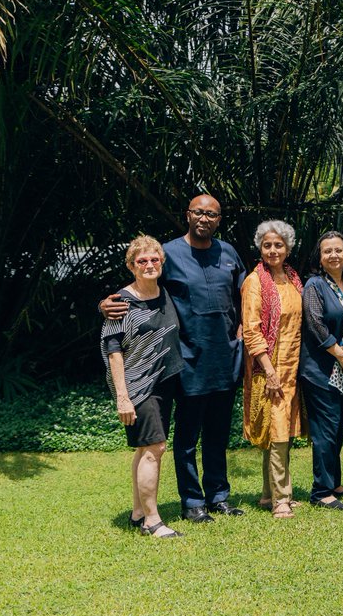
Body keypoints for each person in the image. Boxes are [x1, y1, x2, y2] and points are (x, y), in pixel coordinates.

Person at [99, 194, 246, 524]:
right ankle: (192, 501)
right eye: (198, 212)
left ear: (219, 220)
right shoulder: (169, 255)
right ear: (188, 215)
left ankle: (219, 496)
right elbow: (140, 288)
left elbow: (245, 294)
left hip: (224, 358)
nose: (204, 219)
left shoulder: (229, 253)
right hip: (187, 360)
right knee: (187, 437)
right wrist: (105, 305)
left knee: (218, 434)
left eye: (212, 214)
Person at [102, 235, 184, 538]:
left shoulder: (164, 293)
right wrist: (123, 397)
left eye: (154, 259)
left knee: (144, 448)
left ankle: (138, 512)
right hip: (138, 386)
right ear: (131, 266)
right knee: (155, 448)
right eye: (142, 261)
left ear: (162, 262)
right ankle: (153, 520)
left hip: (164, 381)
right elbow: (113, 351)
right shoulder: (120, 303)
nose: (149, 265)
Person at [241, 220, 305, 518]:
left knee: (281, 430)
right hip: (270, 367)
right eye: (267, 245)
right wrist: (269, 370)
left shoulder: (293, 278)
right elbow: (252, 331)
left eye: (278, 244)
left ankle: (268, 494)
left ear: (288, 247)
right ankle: (282, 499)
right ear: (260, 248)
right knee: (278, 432)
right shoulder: (255, 282)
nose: (273, 250)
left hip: (293, 366)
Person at [300, 231, 343, 511]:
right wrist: (340, 354)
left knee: (337, 426)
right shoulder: (314, 285)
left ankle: (334, 483)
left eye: (338, 250)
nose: (333, 255)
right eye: (327, 252)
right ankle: (321, 491)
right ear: (319, 258)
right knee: (324, 429)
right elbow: (315, 324)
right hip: (320, 368)